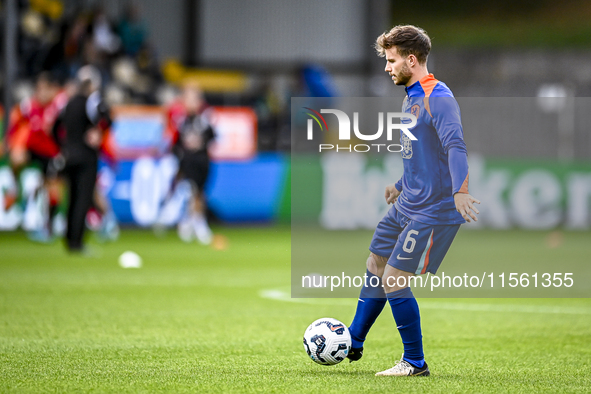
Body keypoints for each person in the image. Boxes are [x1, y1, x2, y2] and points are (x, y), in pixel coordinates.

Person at [346, 25, 480, 376]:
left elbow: (455, 147)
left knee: (393, 277)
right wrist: (400, 184)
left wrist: (460, 191)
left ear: (411, 59)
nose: (387, 68)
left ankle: (414, 363)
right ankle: (353, 340)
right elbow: (424, 155)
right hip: (407, 203)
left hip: (433, 210)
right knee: (375, 262)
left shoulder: (439, 97)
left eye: (391, 61)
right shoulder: (410, 97)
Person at [55, 65, 111, 252]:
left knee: (71, 198)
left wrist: (63, 146)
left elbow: (55, 127)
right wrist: (98, 131)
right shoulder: (92, 102)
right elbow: (108, 117)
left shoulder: (68, 102)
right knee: (83, 199)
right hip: (86, 155)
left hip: (69, 155)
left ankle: (69, 239)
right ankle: (77, 242)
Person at [161, 82, 215, 244]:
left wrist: (200, 143)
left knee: (199, 192)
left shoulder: (205, 118)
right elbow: (174, 142)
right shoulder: (180, 120)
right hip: (187, 160)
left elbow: (213, 136)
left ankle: (192, 222)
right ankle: (193, 223)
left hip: (202, 160)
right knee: (190, 190)